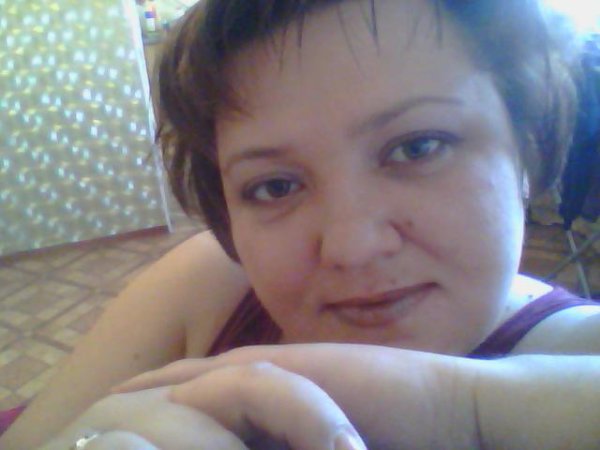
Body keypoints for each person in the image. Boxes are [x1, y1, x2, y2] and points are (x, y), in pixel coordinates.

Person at [2, 0, 600, 448]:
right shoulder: (212, 283)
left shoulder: (576, 348)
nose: (352, 247)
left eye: (417, 147)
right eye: (275, 186)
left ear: (527, 147)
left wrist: (467, 410)